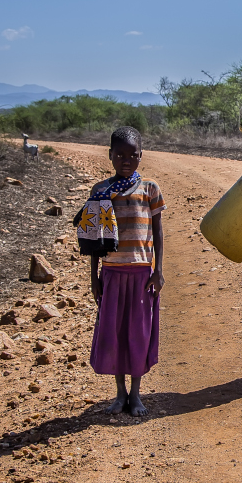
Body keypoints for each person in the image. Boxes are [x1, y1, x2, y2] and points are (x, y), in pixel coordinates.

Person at [85, 126, 166, 416]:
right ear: (110, 156)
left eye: (133, 155)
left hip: (142, 274)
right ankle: (119, 394)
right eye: (120, 155)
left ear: (141, 156)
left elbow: (158, 232)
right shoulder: (101, 192)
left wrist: (159, 271)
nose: (126, 160)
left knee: (137, 334)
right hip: (112, 273)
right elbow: (94, 240)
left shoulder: (149, 189)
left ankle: (136, 394)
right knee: (115, 334)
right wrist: (94, 277)